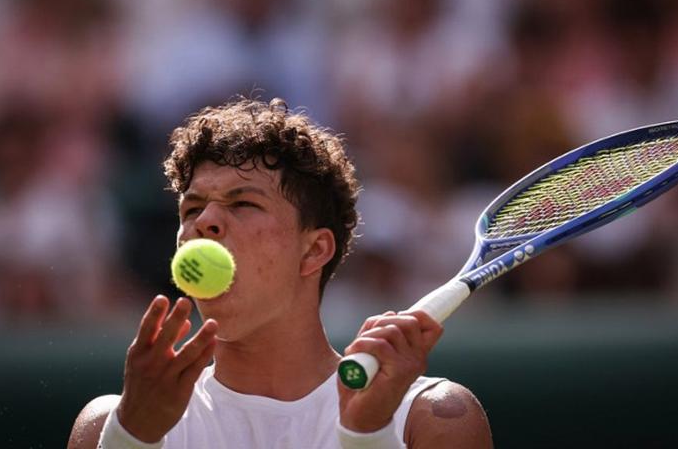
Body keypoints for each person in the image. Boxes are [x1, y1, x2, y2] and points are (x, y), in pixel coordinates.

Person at [68, 97, 492, 448]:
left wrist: (367, 436)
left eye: (243, 204)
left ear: (314, 250)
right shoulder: (112, 426)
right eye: (192, 208)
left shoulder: (433, 419)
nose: (204, 222)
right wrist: (133, 440)